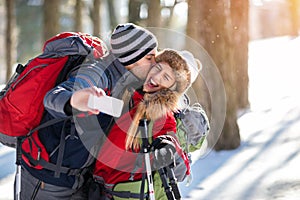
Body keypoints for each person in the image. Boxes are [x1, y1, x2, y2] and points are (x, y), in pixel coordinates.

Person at [19, 23, 158, 200]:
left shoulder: (127, 82)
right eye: (150, 57)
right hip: (47, 179)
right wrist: (76, 99)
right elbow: (53, 98)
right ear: (130, 58)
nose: (155, 64)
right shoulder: (96, 73)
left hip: (79, 179)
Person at [91, 49, 193, 200]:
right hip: (100, 188)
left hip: (125, 193)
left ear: (170, 89)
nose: (156, 76)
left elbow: (178, 161)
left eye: (166, 77)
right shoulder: (131, 96)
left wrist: (169, 148)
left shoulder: (161, 114)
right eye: (158, 68)